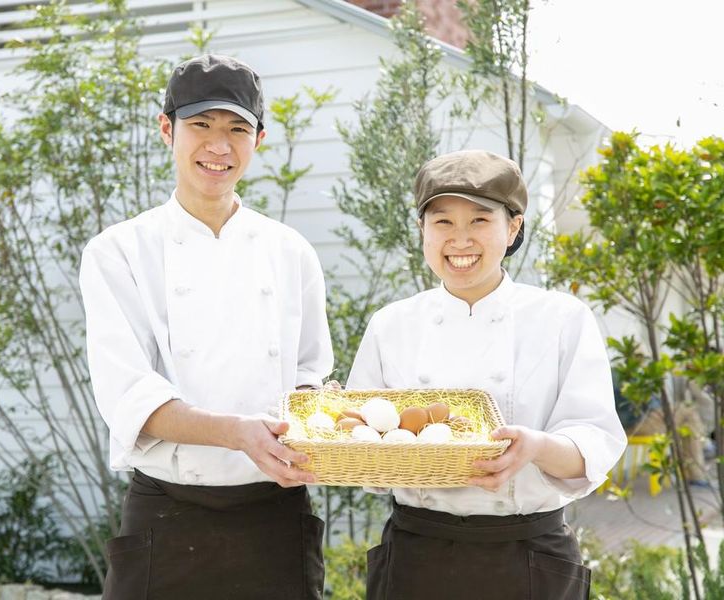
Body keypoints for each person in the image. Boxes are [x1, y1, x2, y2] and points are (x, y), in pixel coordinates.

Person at [79, 54, 333, 600]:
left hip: (275, 513)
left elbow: (310, 375)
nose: (219, 146)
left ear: (258, 140)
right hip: (169, 515)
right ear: (166, 129)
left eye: (237, 129)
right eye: (201, 125)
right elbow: (130, 397)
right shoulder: (119, 251)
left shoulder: (291, 252)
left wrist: (319, 416)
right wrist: (238, 433)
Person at [346, 150, 627, 599]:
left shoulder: (562, 318)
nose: (460, 240)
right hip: (417, 553)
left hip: (527, 555)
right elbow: (360, 444)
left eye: (479, 220)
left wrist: (534, 447)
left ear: (513, 228)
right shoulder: (391, 324)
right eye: (442, 222)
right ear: (422, 229)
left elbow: (593, 444)